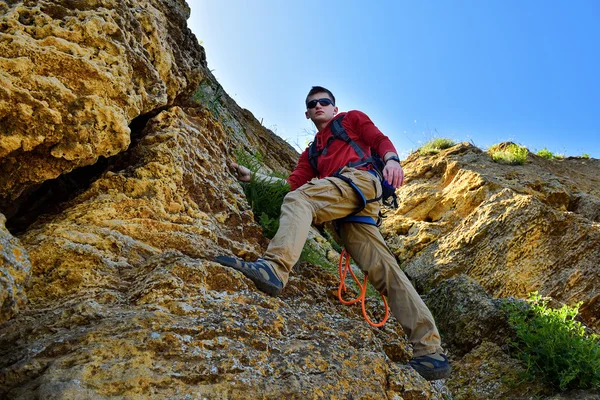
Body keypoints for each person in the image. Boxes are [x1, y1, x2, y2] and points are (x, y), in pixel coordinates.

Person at [215, 86, 451, 381]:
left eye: (324, 102)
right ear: (307, 113)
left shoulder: (351, 119)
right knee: (386, 271)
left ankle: (274, 268)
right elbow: (291, 185)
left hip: (360, 181)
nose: (318, 106)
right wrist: (254, 177)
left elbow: (378, 139)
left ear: (334, 108)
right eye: (312, 104)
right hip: (350, 213)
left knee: (302, 200)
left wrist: (391, 160)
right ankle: (431, 352)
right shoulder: (311, 153)